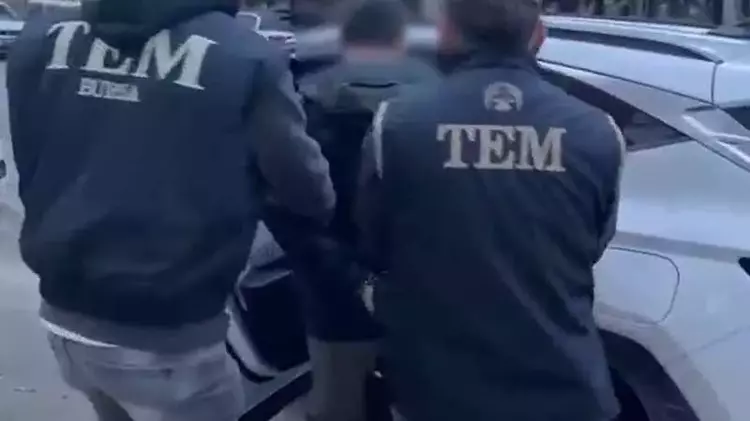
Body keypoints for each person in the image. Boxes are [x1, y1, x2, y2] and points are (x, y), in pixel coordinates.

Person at [6, 0, 334, 420]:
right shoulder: (244, 55)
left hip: (63, 312)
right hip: (171, 336)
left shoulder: (39, 39)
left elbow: (32, 151)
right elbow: (302, 184)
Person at [356, 0, 626, 419]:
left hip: (436, 390)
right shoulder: (598, 130)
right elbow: (593, 243)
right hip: (566, 391)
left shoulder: (395, 124)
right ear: (539, 35)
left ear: (446, 32)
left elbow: (372, 242)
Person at [262, 2, 438, 421]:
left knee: (336, 404)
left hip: (334, 299)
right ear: (401, 39)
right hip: (422, 298)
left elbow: (284, 208)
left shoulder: (303, 99)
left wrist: (350, 279)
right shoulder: (442, 103)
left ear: (345, 40)